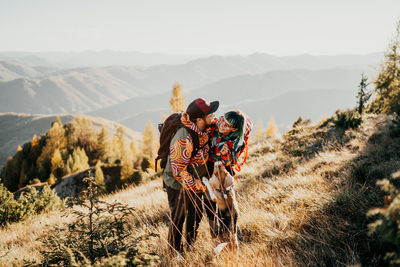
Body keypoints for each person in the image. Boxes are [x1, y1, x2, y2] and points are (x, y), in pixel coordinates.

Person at [163, 97, 219, 253]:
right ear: (199, 119)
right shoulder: (183, 138)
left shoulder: (205, 128)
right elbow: (179, 172)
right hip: (177, 183)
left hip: (195, 181)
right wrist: (199, 186)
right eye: (210, 114)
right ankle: (174, 253)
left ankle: (190, 248)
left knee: (195, 214)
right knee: (178, 218)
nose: (213, 116)